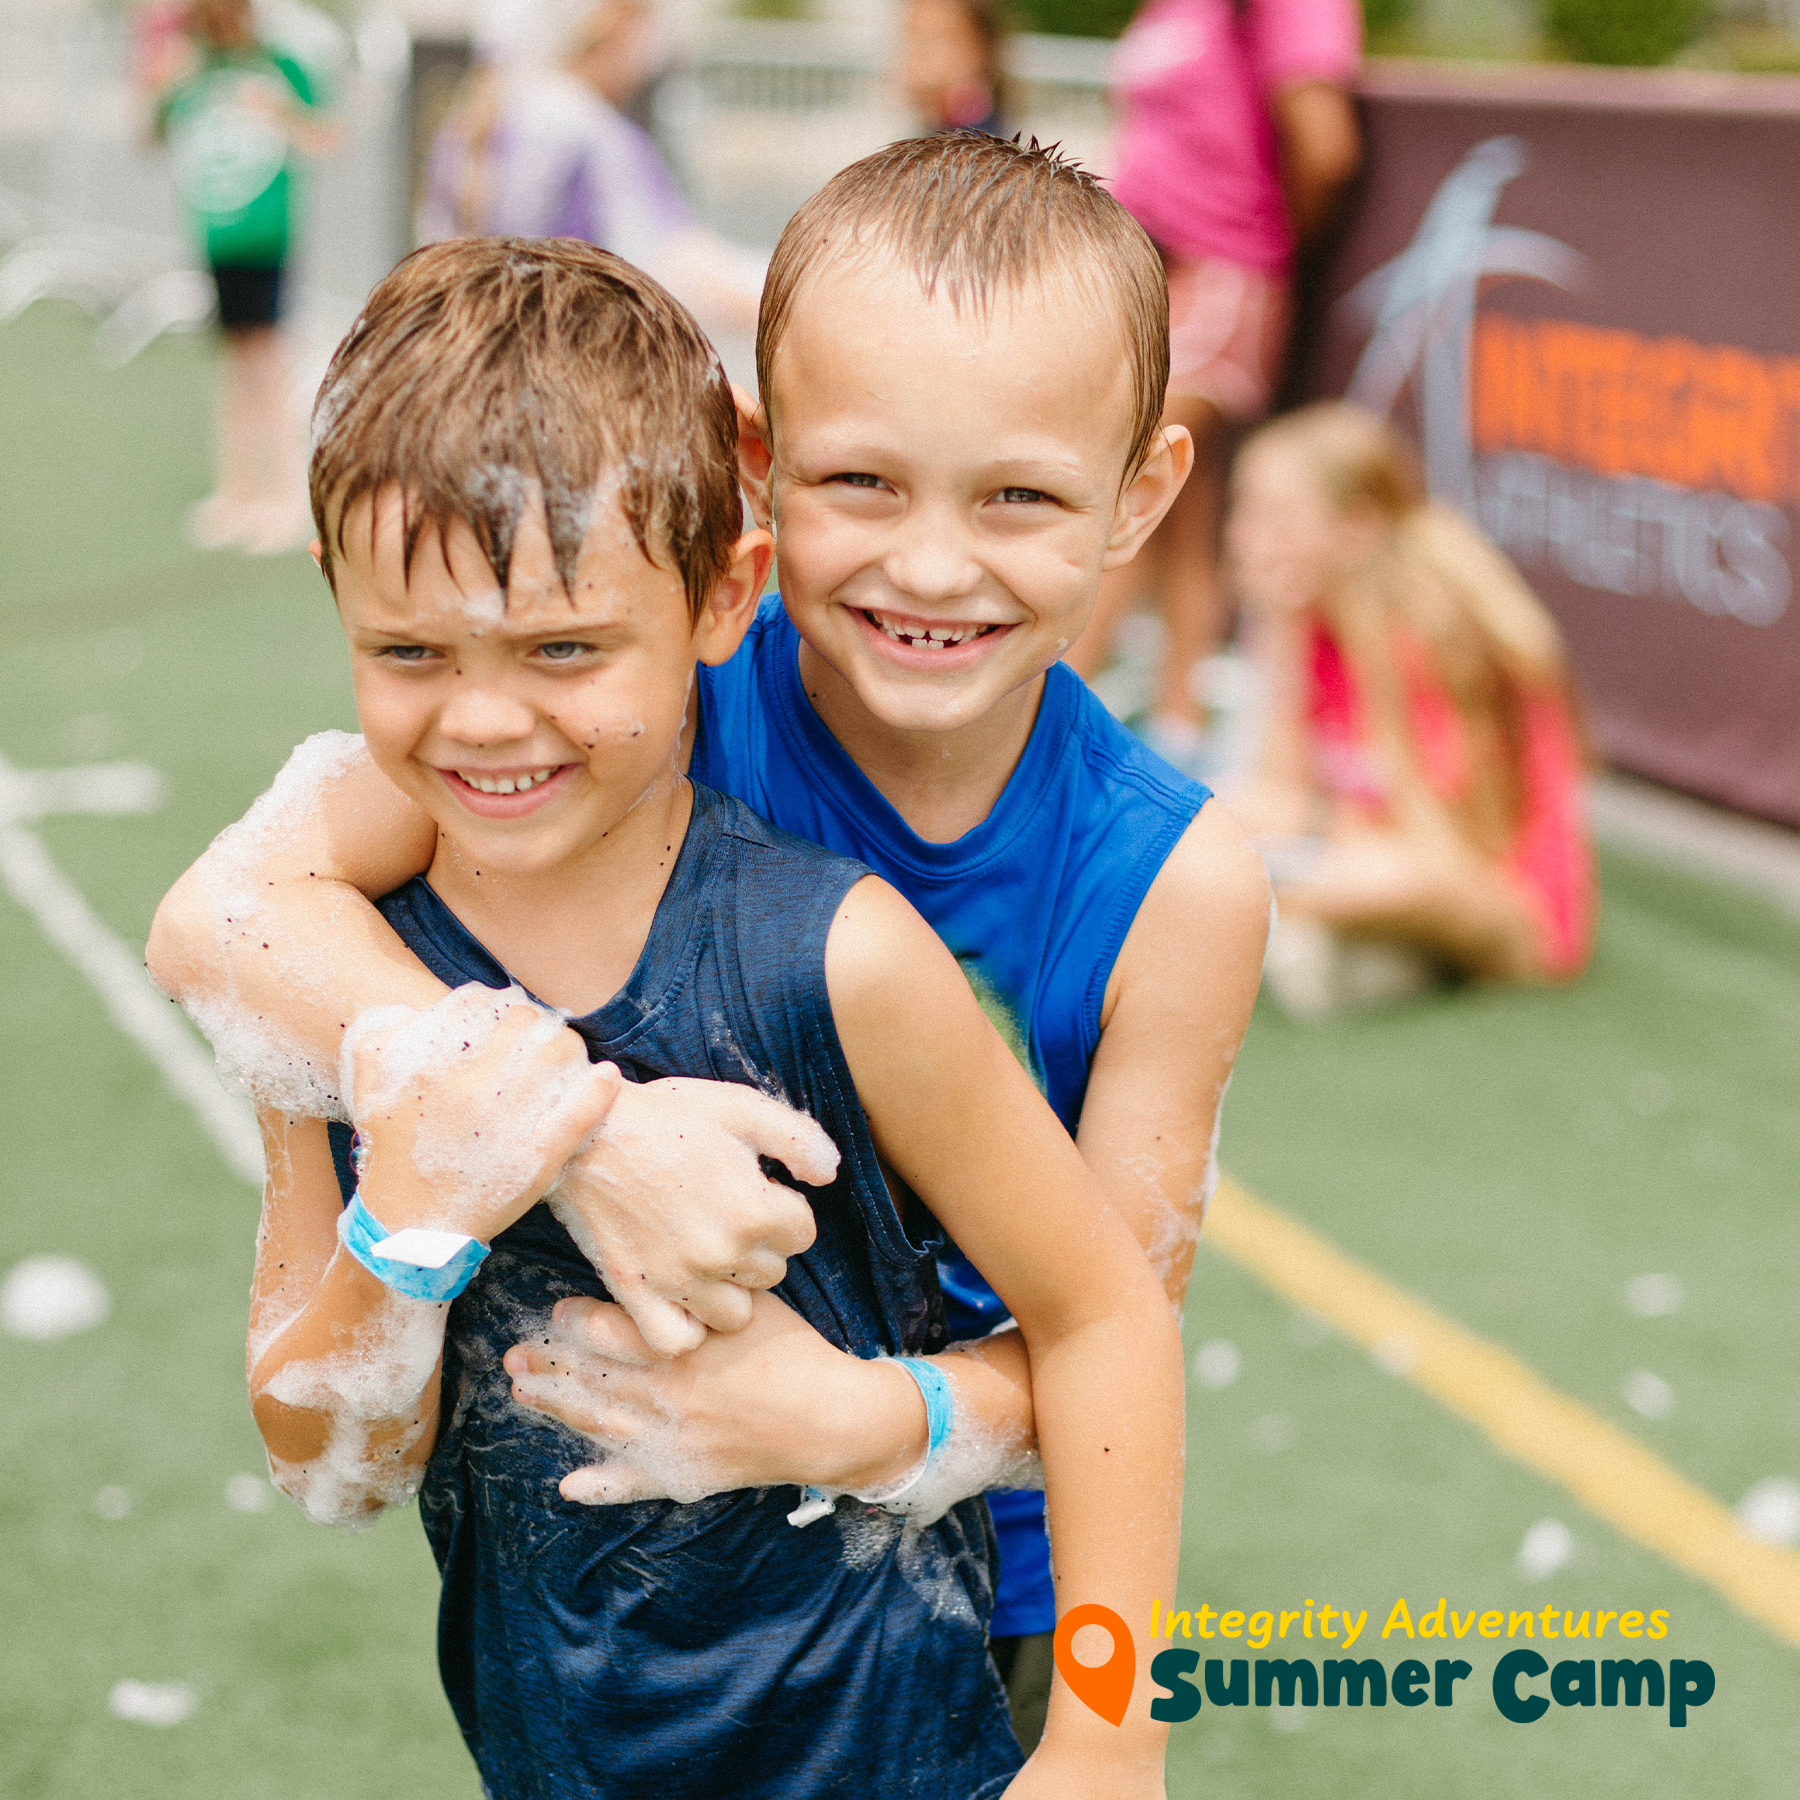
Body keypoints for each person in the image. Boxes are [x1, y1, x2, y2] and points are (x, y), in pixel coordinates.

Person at [148, 135, 1271, 1751]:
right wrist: (578, 1134)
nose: (933, 563)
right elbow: (227, 917)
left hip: (970, 1610)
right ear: (760, 477)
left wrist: (869, 1424)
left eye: (1019, 495)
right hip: (616, 1607)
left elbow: (1104, 1321)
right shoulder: (620, 707)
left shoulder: (1173, 884)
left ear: (1141, 495)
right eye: (862, 482)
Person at [1223, 401, 1595, 1014]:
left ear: (1358, 528)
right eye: (1245, 510)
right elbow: (1279, 792)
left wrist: (1299, 853)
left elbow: (1446, 849)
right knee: (1205, 819)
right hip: (1368, 858)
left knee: (1324, 872)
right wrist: (1278, 625)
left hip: (1498, 903)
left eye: (1277, 517)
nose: (1244, 538)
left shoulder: (1436, 635)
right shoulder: (1309, 617)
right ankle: (1341, 949)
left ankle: (1292, 930)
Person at [1067, 0, 1362, 772]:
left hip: (1222, 272)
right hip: (1153, 277)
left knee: (1128, 485)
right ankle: (1177, 730)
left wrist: (1249, 242)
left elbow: (1324, 146)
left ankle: (1041, 738)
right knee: (1186, 510)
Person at [419, 0, 765, 340]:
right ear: (616, 25)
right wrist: (783, 289)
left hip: (483, 349)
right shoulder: (585, 127)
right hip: (562, 352)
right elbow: (674, 263)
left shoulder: (469, 127)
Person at [148, 0, 334, 553]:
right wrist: (161, 86)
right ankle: (237, 490)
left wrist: (280, 113)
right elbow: (152, 130)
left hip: (267, 230)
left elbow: (326, 134)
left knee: (267, 358)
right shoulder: (193, 65)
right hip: (213, 229)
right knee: (233, 359)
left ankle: (284, 496)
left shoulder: (279, 62)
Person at [899, 0, 1011, 137]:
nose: (918, 53)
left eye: (934, 39)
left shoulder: (973, 142)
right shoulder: (937, 123)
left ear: (978, 49)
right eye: (913, 38)